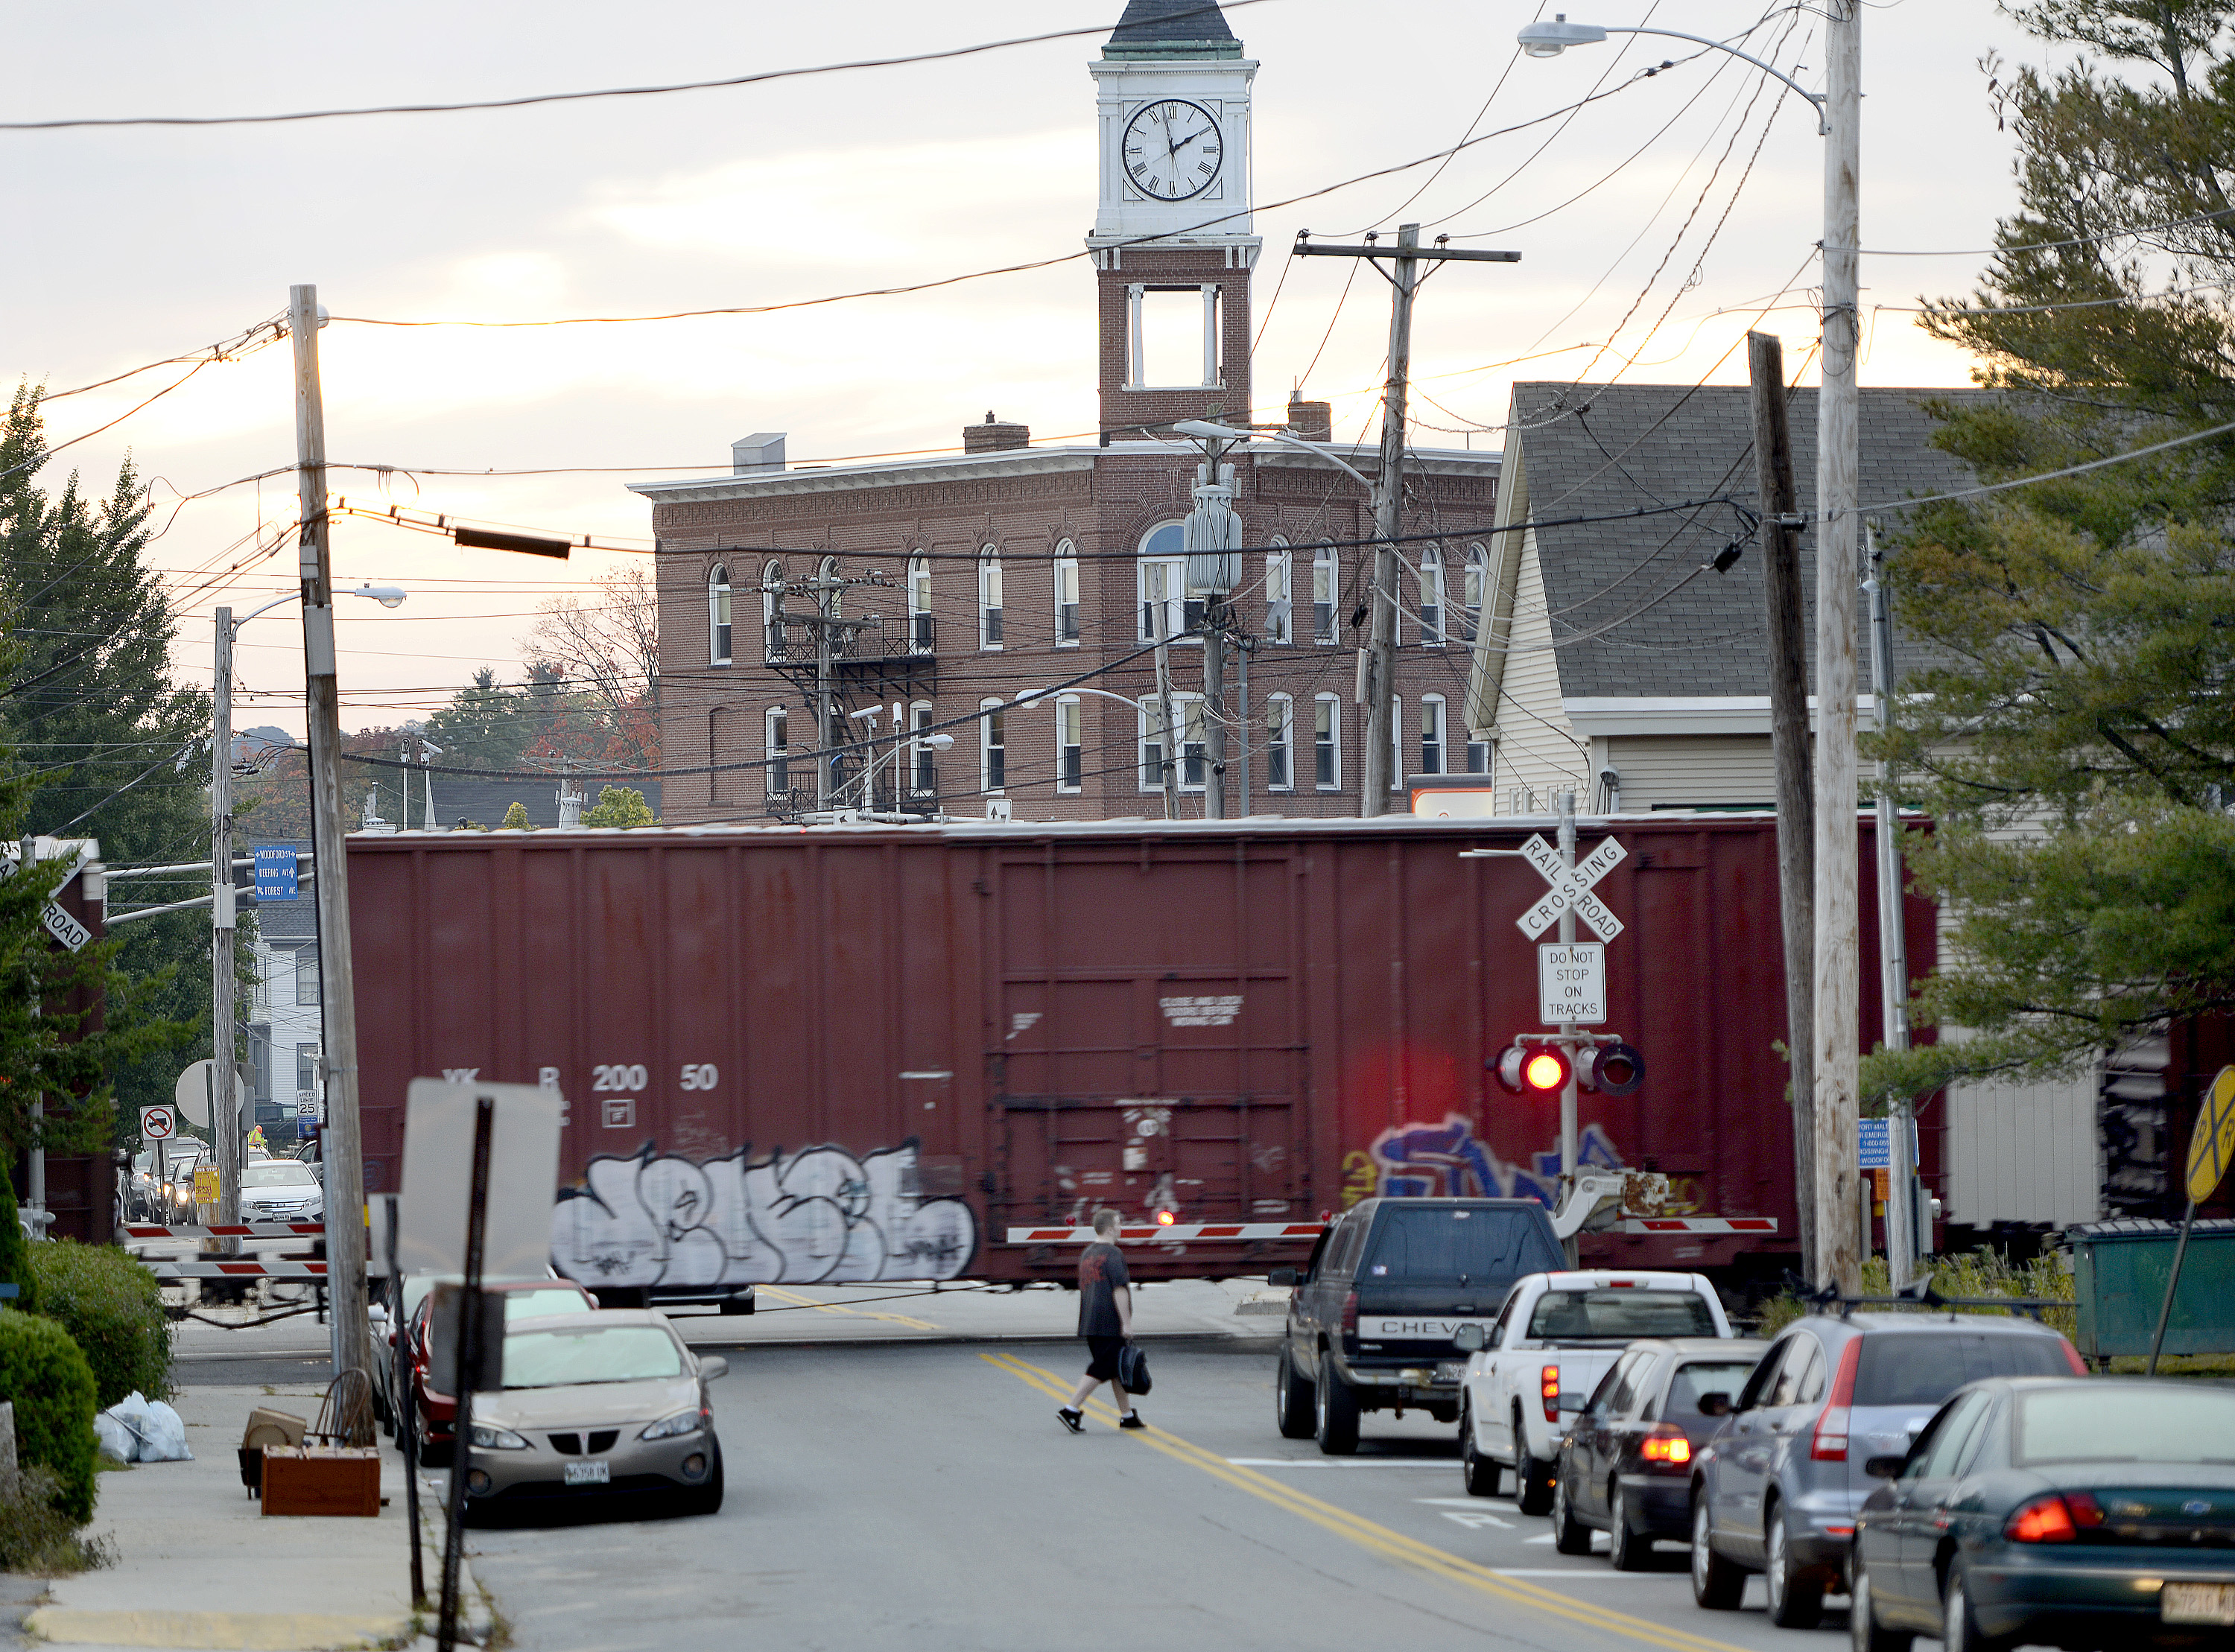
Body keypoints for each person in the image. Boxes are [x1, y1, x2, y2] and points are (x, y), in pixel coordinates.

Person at [1059, 1207, 1143, 1432]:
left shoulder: (1087, 1253)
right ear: (1109, 1228)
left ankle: (1127, 1416)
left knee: (1115, 1369)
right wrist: (1126, 1323)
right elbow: (1119, 1289)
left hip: (1090, 1321)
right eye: (1118, 1224)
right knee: (1102, 1367)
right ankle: (1071, 1409)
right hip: (1109, 1322)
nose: (1121, 1228)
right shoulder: (1113, 1254)